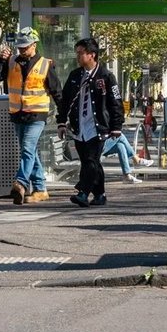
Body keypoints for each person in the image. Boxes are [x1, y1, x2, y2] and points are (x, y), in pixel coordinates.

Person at [0, 28, 62, 204]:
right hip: (17, 114)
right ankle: (40, 189)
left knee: (28, 149)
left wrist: (64, 117)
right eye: (20, 47)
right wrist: (0, 60)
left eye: (25, 47)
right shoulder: (11, 61)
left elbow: (57, 92)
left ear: (34, 45)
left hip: (37, 115)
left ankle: (20, 183)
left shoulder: (45, 64)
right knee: (30, 151)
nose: (21, 50)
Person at [56, 37, 122, 207]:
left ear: (92, 55)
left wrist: (116, 126)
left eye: (81, 53)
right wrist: (61, 122)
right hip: (79, 127)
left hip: (98, 127)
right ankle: (100, 194)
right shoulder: (75, 76)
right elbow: (65, 101)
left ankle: (83, 193)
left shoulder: (106, 76)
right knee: (89, 162)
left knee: (92, 159)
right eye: (77, 53)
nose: (78, 57)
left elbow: (115, 102)